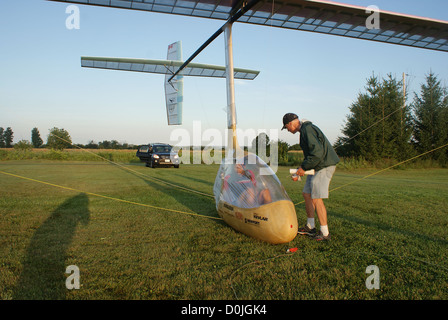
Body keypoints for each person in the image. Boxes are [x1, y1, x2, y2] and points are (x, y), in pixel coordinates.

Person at [282, 113, 339, 241]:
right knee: (307, 194)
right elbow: (311, 156)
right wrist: (300, 170)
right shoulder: (304, 130)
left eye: (286, 127)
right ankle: (310, 226)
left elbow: (317, 154)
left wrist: (303, 168)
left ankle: (324, 233)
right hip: (316, 166)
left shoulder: (307, 130)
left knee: (316, 198)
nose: (287, 130)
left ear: (291, 123)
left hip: (324, 166)